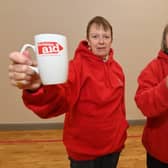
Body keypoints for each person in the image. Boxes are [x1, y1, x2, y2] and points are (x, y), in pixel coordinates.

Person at [8, 16, 128, 168]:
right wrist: (37, 88)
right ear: (88, 41)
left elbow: (120, 108)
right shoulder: (75, 67)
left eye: (106, 36)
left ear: (112, 40)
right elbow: (58, 100)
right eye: (95, 36)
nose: (101, 41)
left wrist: (122, 133)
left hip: (113, 148)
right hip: (84, 154)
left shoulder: (117, 69)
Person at [134, 24, 168, 168]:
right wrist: (165, 87)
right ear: (165, 39)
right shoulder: (154, 68)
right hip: (160, 152)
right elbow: (143, 104)